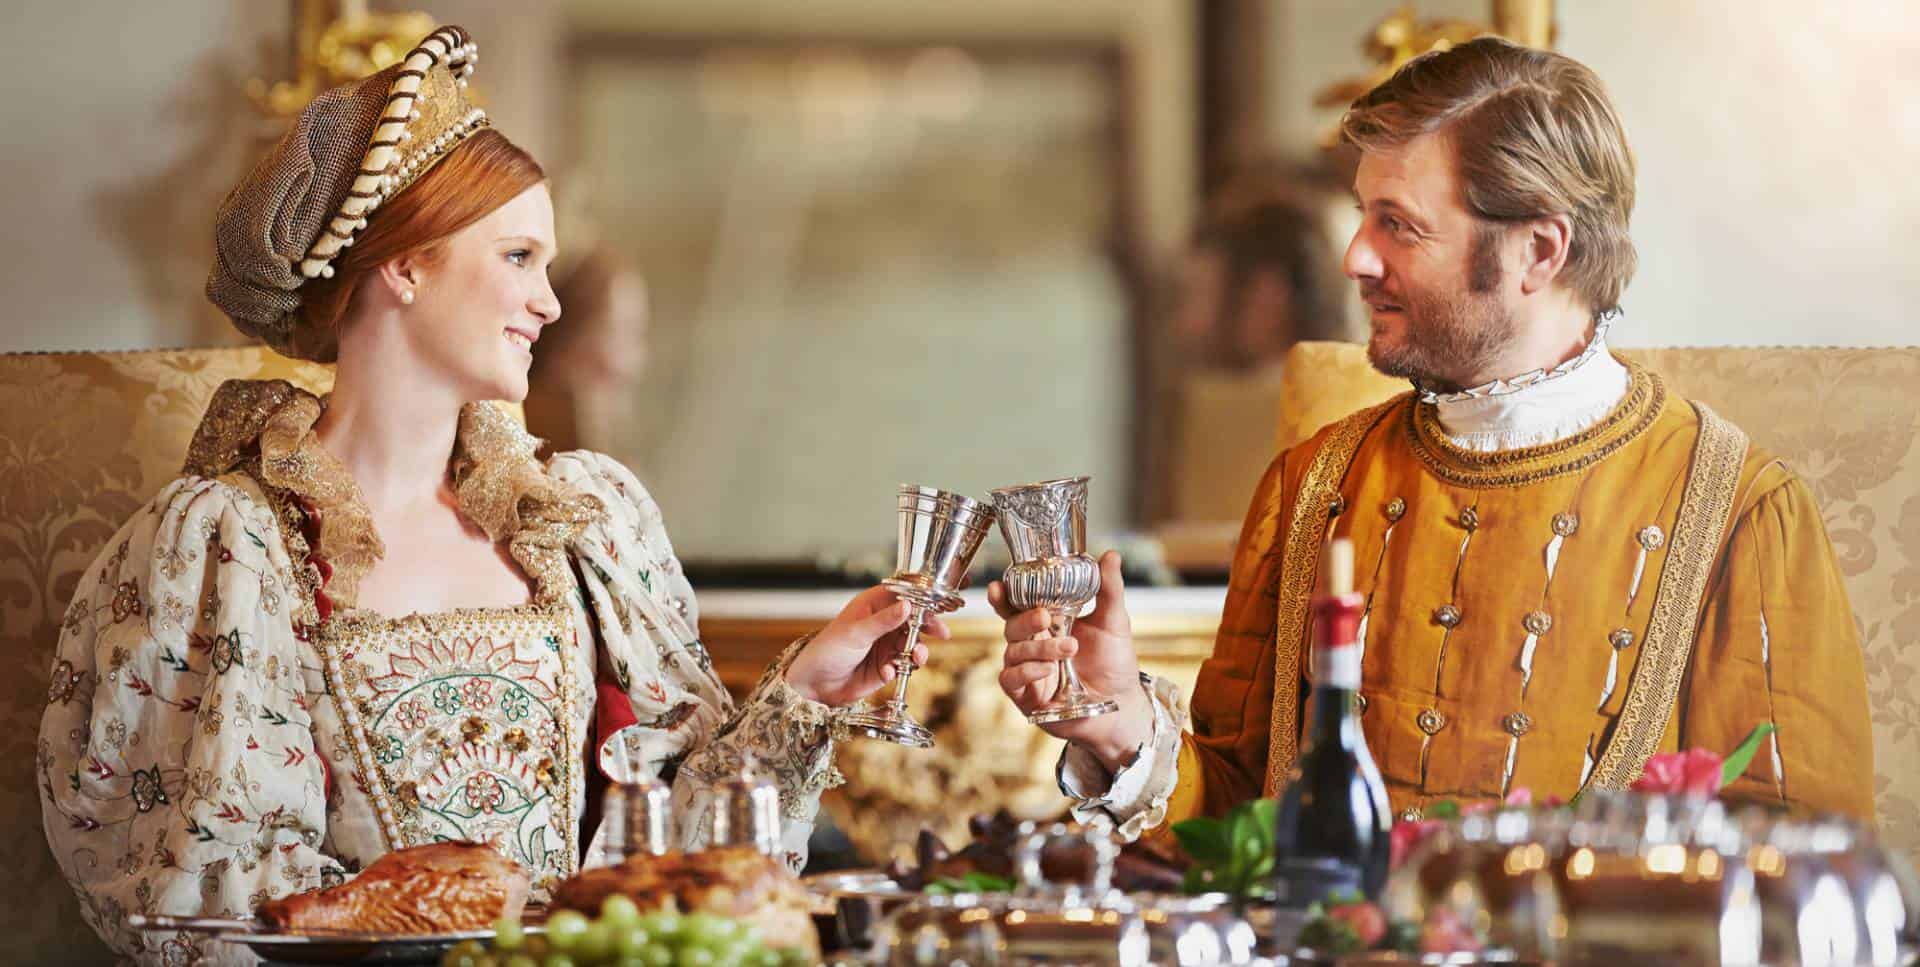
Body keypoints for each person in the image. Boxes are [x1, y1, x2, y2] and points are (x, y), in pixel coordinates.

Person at [39, 27, 939, 963]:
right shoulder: (228, 544)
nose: (548, 302)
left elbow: (675, 870)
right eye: (518, 257)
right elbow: (206, 892)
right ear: (404, 264)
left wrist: (804, 690)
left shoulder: (585, 521)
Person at [992, 37, 1875, 848]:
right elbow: (1242, 825)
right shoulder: (1312, 482)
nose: (1355, 259)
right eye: (1362, 215)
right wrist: (1118, 724)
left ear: (1537, 250)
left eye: (1399, 224)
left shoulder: (1745, 514)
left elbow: (1801, 893)